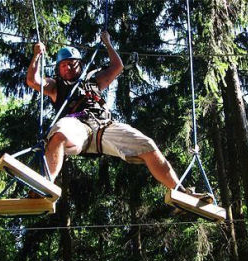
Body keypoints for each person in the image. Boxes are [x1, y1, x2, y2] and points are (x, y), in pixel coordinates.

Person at [26, 31, 184, 193]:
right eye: (63, 65)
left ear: (80, 65)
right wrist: (37, 56)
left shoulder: (94, 81)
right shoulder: (54, 86)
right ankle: (45, 184)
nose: (68, 67)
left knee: (147, 145)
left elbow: (117, 67)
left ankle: (179, 190)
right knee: (60, 132)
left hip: (104, 126)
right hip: (77, 126)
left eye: (72, 63)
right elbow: (32, 80)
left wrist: (107, 43)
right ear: (58, 69)